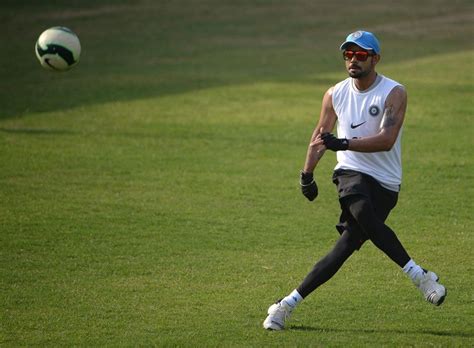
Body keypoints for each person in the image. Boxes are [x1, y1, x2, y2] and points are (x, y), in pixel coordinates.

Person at [263, 30, 446, 331]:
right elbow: (320, 135)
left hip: (386, 182)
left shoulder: (394, 93)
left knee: (345, 247)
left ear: (375, 59)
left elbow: (387, 139)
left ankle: (286, 304)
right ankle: (420, 277)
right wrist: (306, 175)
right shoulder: (335, 94)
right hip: (350, 172)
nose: (353, 60)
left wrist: (344, 143)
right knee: (361, 210)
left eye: (361, 55)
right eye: (348, 54)